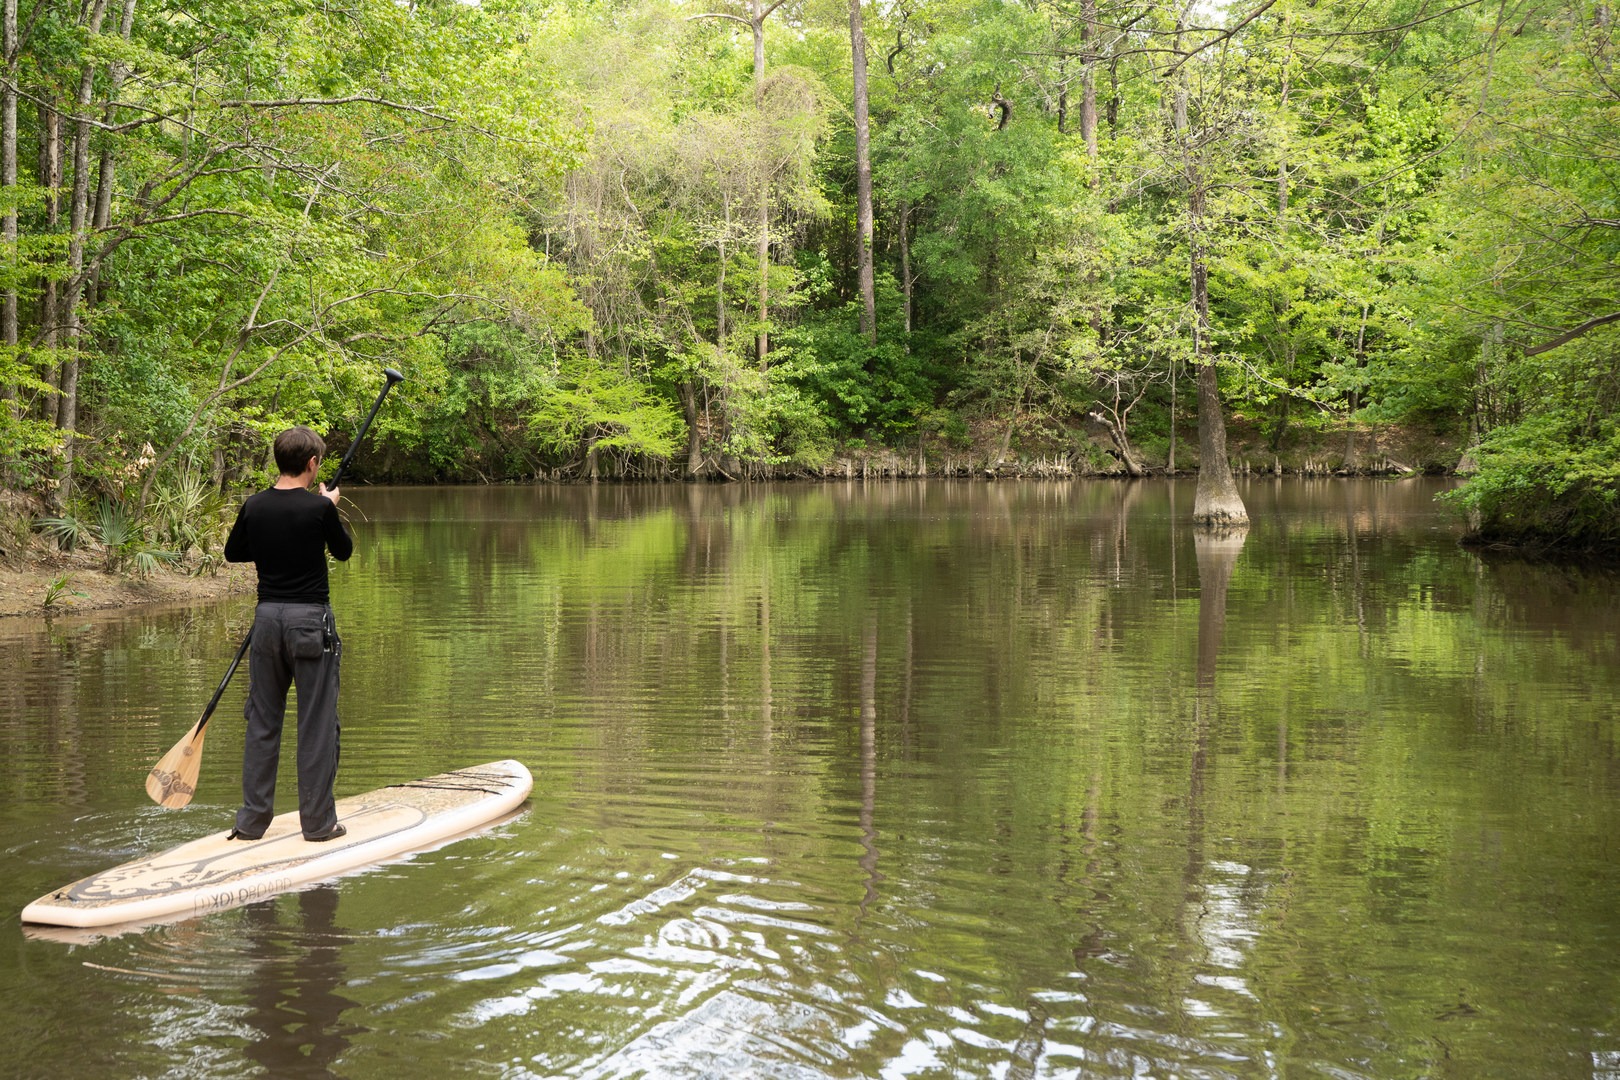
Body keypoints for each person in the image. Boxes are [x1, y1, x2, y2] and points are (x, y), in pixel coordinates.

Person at [223, 426, 354, 842]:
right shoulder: (319, 509)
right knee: (315, 724)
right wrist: (327, 507)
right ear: (313, 464)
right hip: (309, 624)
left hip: (266, 622)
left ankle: (251, 823)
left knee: (262, 722)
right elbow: (344, 551)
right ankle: (317, 824)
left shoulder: (254, 505)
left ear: (278, 461)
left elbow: (234, 552)